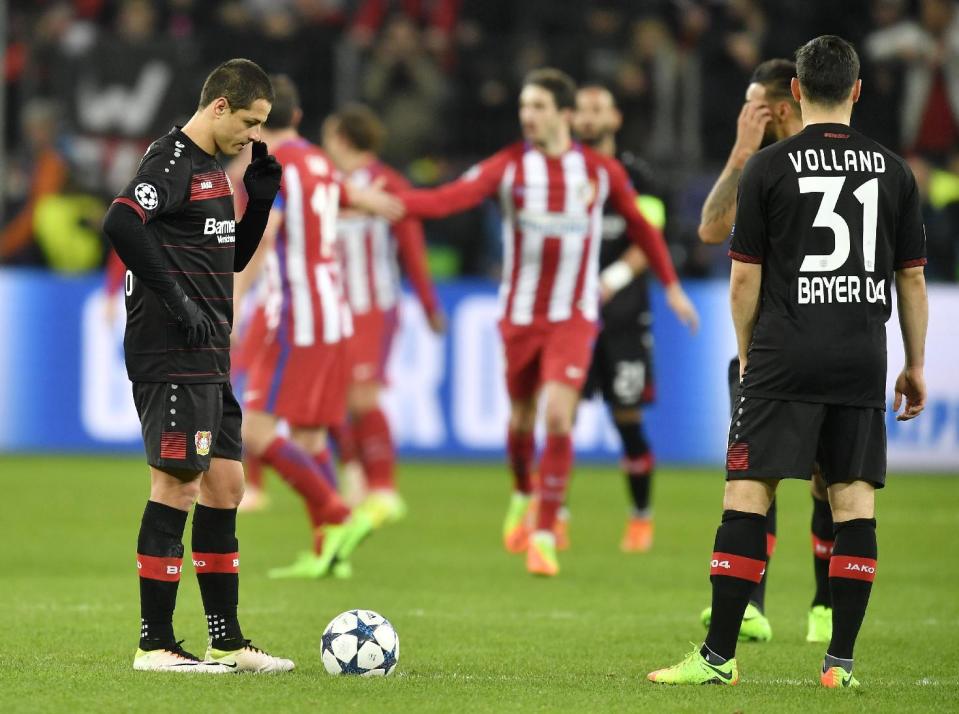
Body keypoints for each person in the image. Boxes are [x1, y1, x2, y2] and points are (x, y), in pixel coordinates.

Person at [649, 35, 928, 688]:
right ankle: (839, 665)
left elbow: (742, 281)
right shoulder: (895, 171)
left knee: (746, 497)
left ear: (796, 91)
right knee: (853, 503)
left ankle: (717, 658)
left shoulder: (770, 169)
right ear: (856, 91)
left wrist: (750, 358)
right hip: (860, 357)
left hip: (783, 357)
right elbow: (909, 282)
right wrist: (913, 364)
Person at [396, 68, 699, 577]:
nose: (527, 117)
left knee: (558, 417)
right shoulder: (510, 167)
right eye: (523, 108)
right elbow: (446, 200)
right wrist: (391, 201)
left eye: (537, 107)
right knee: (520, 420)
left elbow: (646, 232)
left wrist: (671, 287)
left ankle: (544, 529)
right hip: (519, 316)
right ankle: (522, 493)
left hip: (574, 315)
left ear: (563, 114)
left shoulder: (599, 173)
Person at [102, 59, 293, 673]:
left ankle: (227, 642)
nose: (253, 135)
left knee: (227, 486)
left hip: (210, 352)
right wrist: (178, 299)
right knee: (178, 484)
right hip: (171, 349)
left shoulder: (214, 171)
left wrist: (259, 204)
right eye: (249, 121)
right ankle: (154, 643)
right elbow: (120, 221)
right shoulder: (172, 159)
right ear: (218, 107)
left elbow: (230, 259)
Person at [233, 77, 404, 579]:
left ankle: (338, 513)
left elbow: (263, 236)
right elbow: (335, 193)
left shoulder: (267, 169)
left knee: (255, 432)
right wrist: (365, 201)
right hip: (335, 315)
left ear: (258, 120)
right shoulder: (318, 162)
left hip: (296, 320)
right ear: (300, 117)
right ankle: (330, 551)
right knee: (308, 436)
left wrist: (235, 301)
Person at [697, 59, 836, 644]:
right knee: (753, 471)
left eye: (753, 104)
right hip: (763, 349)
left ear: (780, 106)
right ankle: (750, 602)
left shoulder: (820, 166)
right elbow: (710, 230)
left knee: (828, 480)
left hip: (819, 340)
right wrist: (738, 151)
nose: (745, 115)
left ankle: (825, 602)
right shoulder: (756, 166)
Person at [572, 84, 684, 553]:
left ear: (615, 118)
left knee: (627, 418)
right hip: (570, 317)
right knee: (559, 416)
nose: (589, 117)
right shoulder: (561, 174)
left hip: (622, 315)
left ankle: (640, 518)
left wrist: (612, 277)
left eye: (598, 108)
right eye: (581, 110)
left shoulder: (639, 176)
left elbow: (650, 236)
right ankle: (551, 517)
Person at [322, 103, 445, 525]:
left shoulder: (388, 184)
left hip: (373, 306)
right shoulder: (326, 183)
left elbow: (411, 246)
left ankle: (384, 487)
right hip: (327, 307)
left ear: (342, 138)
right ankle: (354, 475)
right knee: (328, 399)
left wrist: (429, 304)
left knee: (362, 396)